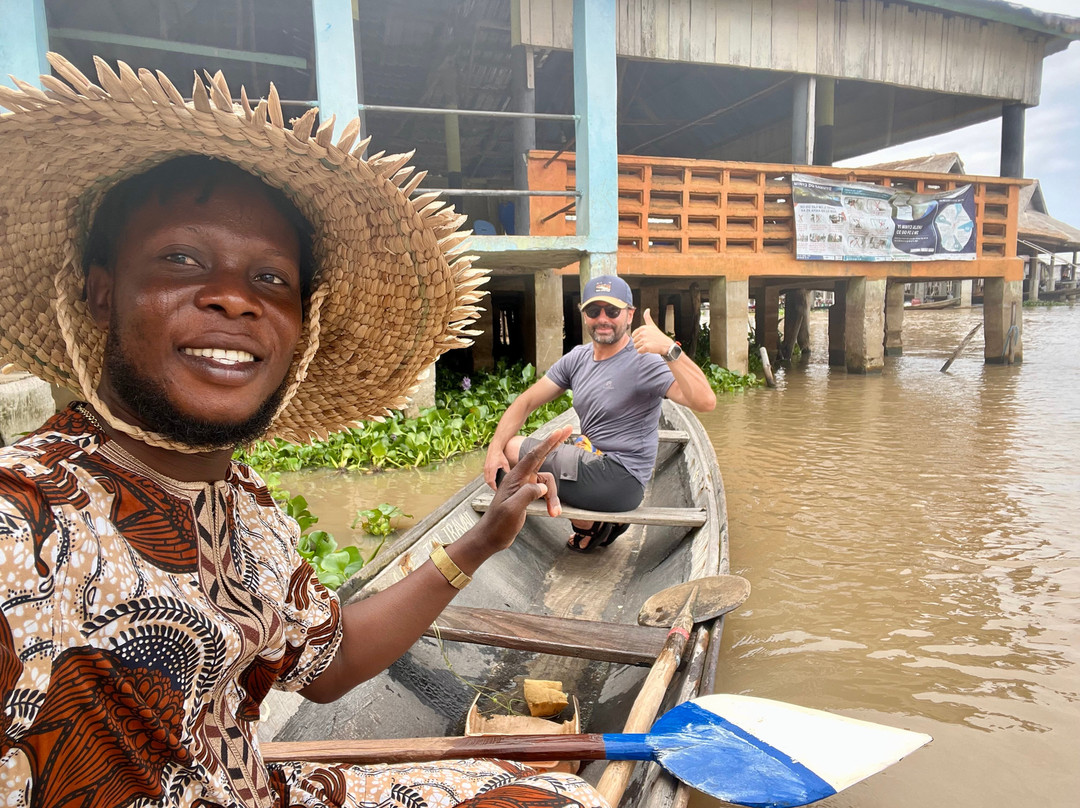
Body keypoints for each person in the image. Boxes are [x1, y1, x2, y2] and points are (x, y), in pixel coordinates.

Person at [0, 55, 606, 808]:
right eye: (181, 259)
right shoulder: (25, 515)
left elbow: (333, 662)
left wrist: (482, 540)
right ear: (99, 294)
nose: (231, 298)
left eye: (270, 279)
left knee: (552, 799)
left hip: (254, 792)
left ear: (300, 327)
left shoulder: (245, 507)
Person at [483, 274, 716, 552]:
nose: (602, 318)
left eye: (612, 311)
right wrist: (493, 449)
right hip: (592, 460)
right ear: (584, 315)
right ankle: (593, 522)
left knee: (514, 451)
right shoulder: (578, 359)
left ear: (629, 315)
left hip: (621, 480)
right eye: (594, 311)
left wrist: (668, 348)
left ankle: (588, 523)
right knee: (505, 454)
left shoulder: (645, 361)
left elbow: (706, 401)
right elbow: (525, 403)